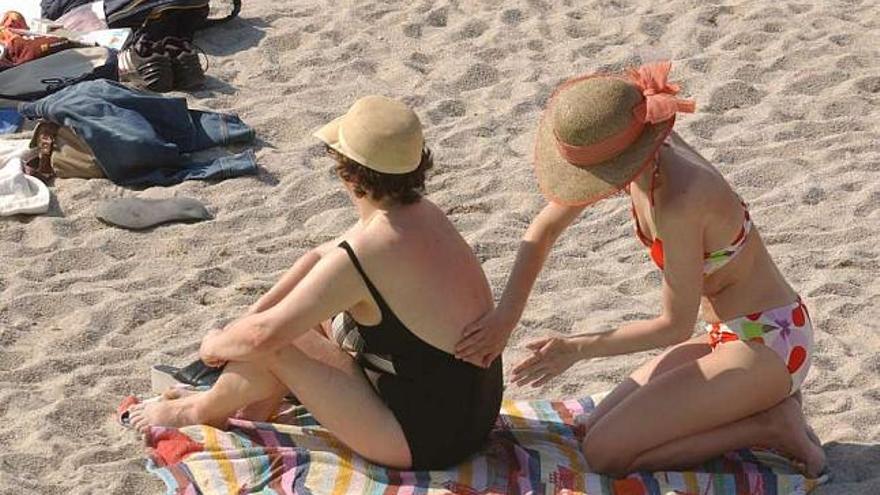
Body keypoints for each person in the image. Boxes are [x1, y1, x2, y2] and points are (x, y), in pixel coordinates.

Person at [453, 61, 825, 477]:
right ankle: (762, 408)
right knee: (595, 429)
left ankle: (770, 425)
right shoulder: (643, 152)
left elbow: (672, 326)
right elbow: (544, 230)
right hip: (728, 335)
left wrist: (575, 348)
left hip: (769, 346)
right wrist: (507, 316)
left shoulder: (680, 203)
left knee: (607, 455)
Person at [127, 95, 503, 470]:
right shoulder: (418, 215)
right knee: (290, 321)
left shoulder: (370, 252)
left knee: (278, 339)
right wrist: (249, 316)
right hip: (470, 418)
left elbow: (264, 336)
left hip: (423, 441)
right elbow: (318, 259)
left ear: (348, 174)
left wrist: (215, 344)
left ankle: (197, 410)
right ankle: (248, 408)